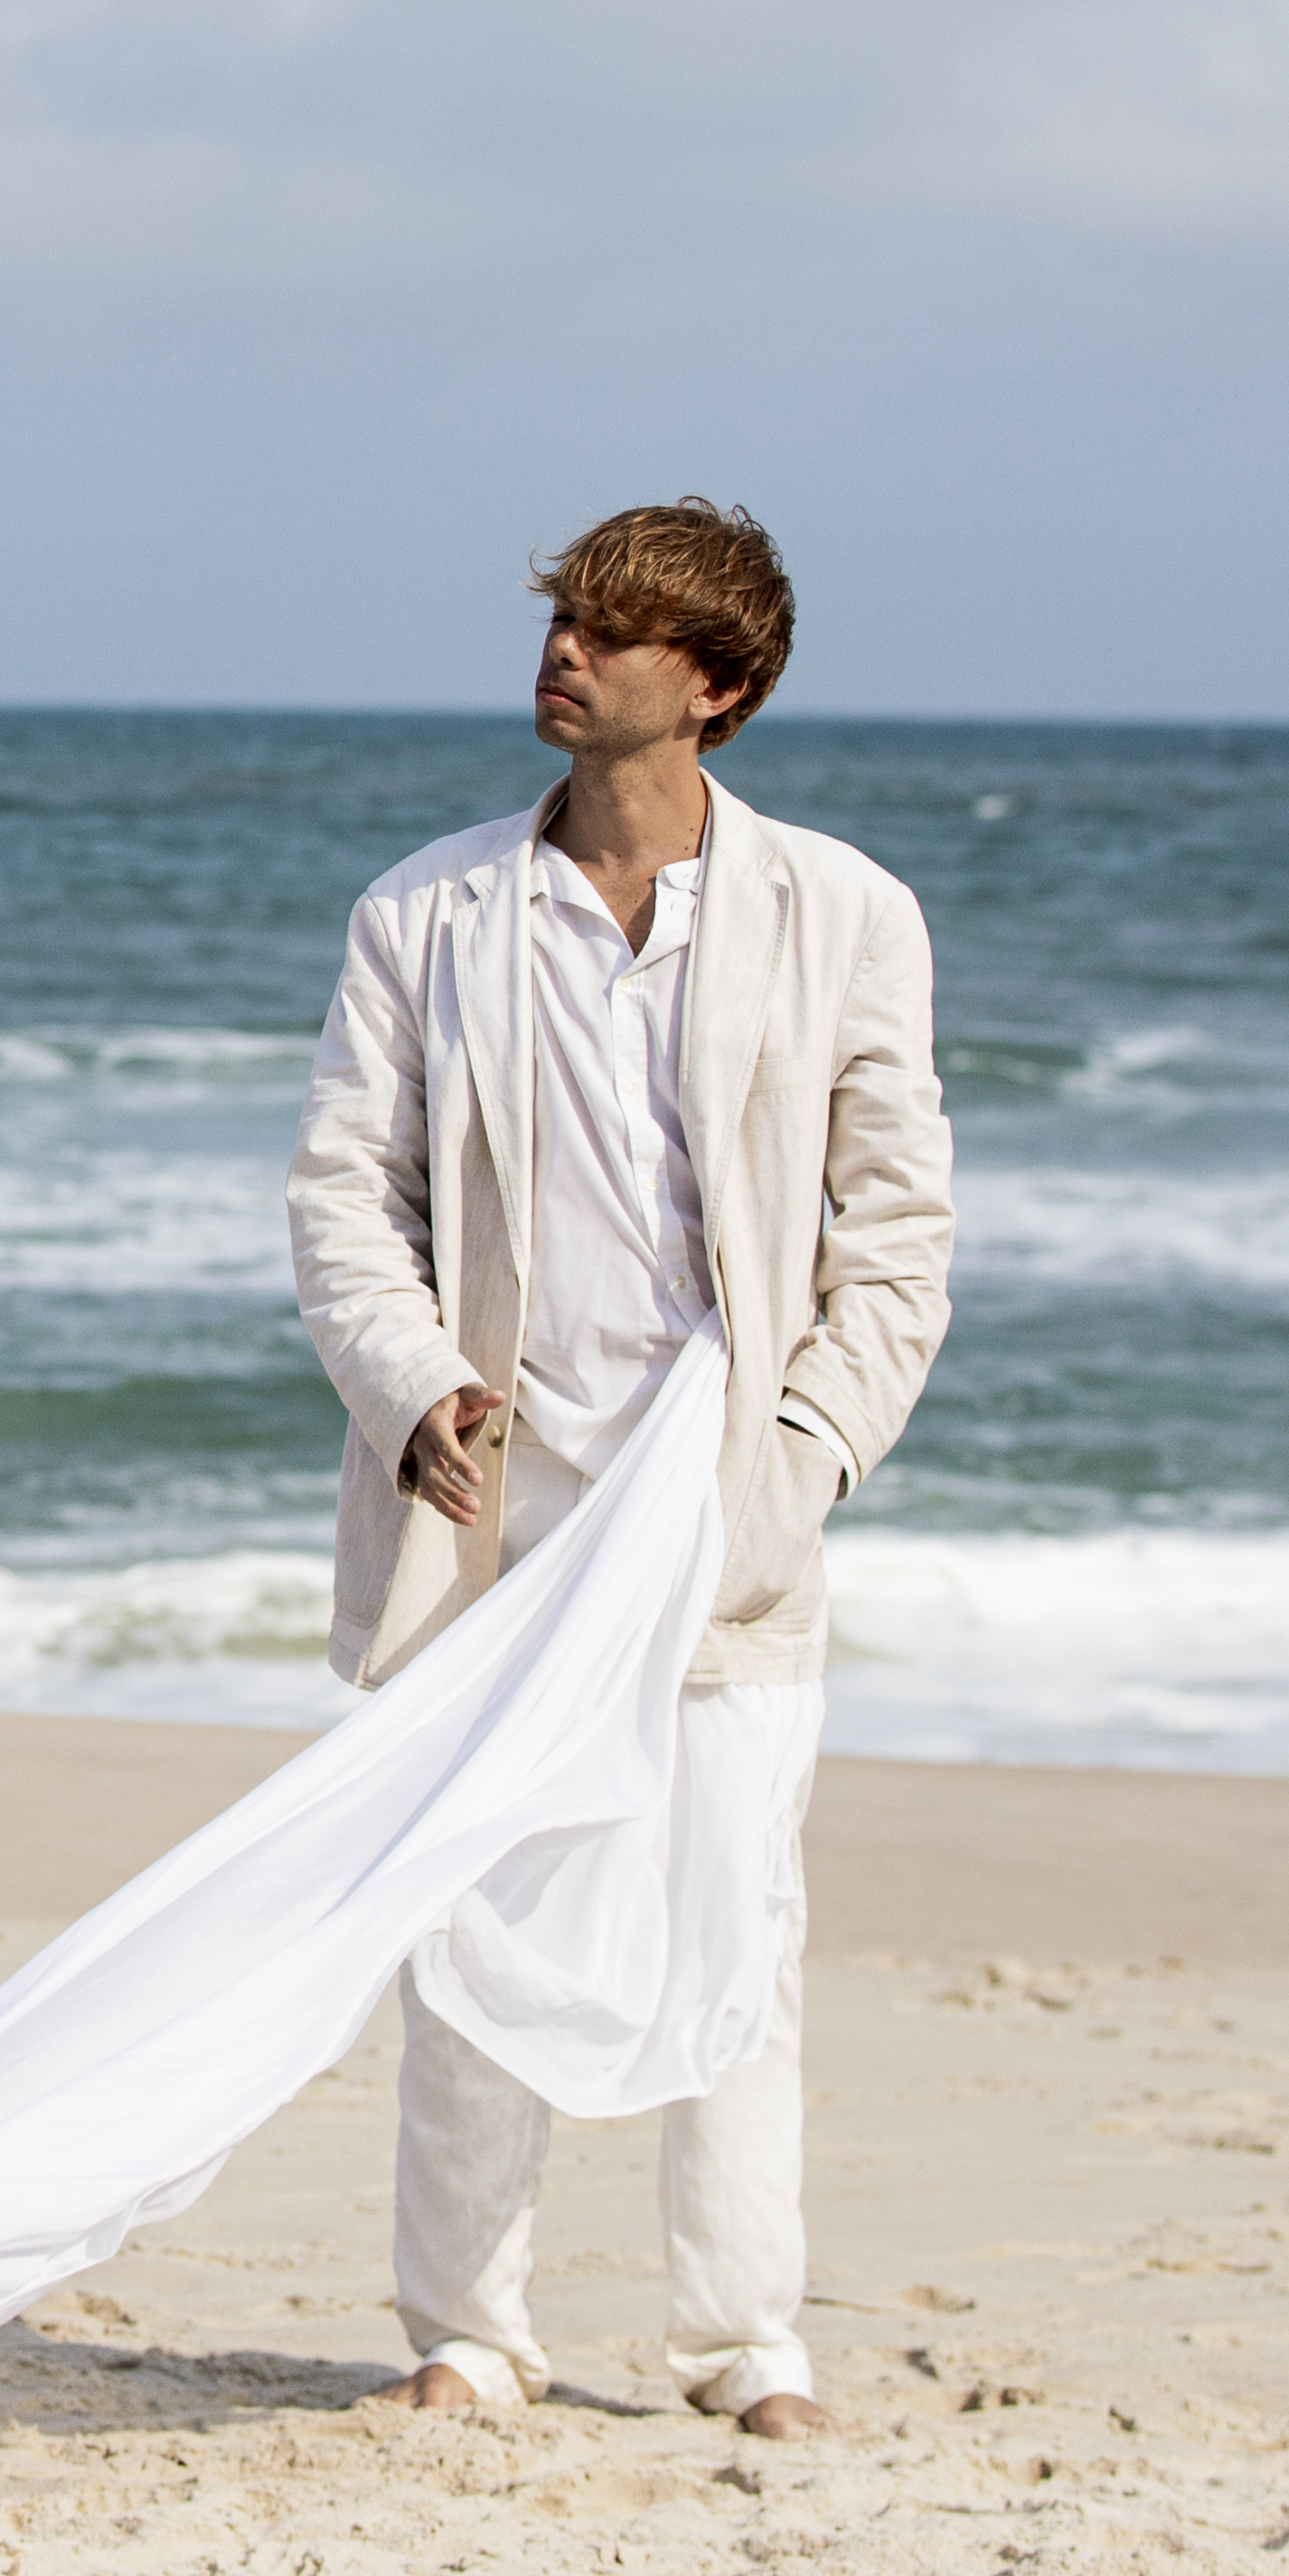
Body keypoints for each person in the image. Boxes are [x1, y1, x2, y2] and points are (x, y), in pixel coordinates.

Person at [283, 501, 953, 2440]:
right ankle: (469, 2326)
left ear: (716, 686)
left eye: (615, 629)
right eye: (564, 617)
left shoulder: (845, 910)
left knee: (733, 1910)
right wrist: (411, 1383)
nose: (565, 651)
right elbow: (345, 1191)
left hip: (722, 1509)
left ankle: (747, 2340)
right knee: (473, 1909)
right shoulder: (426, 910)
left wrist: (805, 1458)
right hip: (500, 1502)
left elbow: (895, 1233)